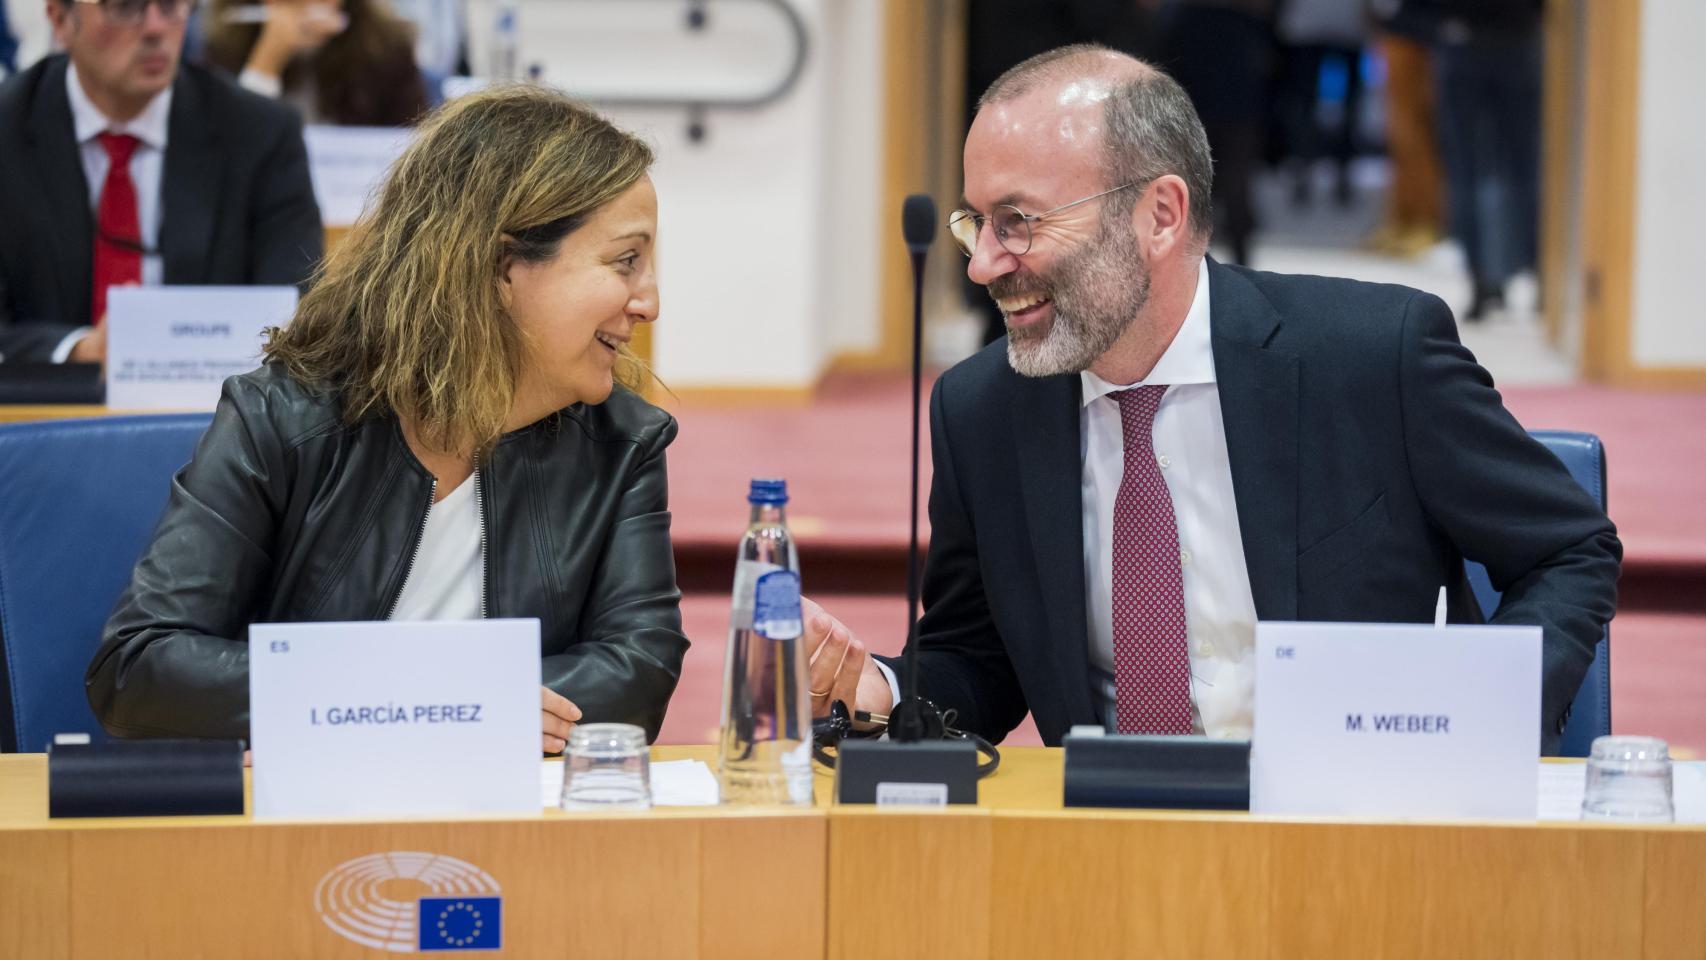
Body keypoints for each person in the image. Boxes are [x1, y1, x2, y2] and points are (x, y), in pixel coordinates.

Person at [802, 44, 1619, 756]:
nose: (982, 264)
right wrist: (879, 688)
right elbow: (976, 656)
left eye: (1017, 221)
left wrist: (1473, 718)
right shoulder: (983, 410)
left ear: (1160, 214)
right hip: (1114, 850)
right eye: (974, 223)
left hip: (1352, 826)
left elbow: (1567, 551)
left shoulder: (1372, 357)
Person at [86, 84, 686, 752]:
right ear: (500, 266)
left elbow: (640, 669)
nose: (649, 301)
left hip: (510, 823)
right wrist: (438, 701)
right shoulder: (283, 418)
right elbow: (138, 669)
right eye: (625, 261)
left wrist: (415, 704)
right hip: (306, 825)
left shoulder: (623, 441)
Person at [0, 0, 322, 365]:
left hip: (211, 404)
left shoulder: (260, 133)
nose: (156, 29)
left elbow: (294, 309)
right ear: (60, 20)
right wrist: (78, 350)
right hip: (36, 410)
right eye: (124, 7)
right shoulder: (9, 128)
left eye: (170, 6)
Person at [202, 0, 427, 127]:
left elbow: (411, 138)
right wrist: (266, 61)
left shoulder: (386, 46)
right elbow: (226, 148)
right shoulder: (225, 46)